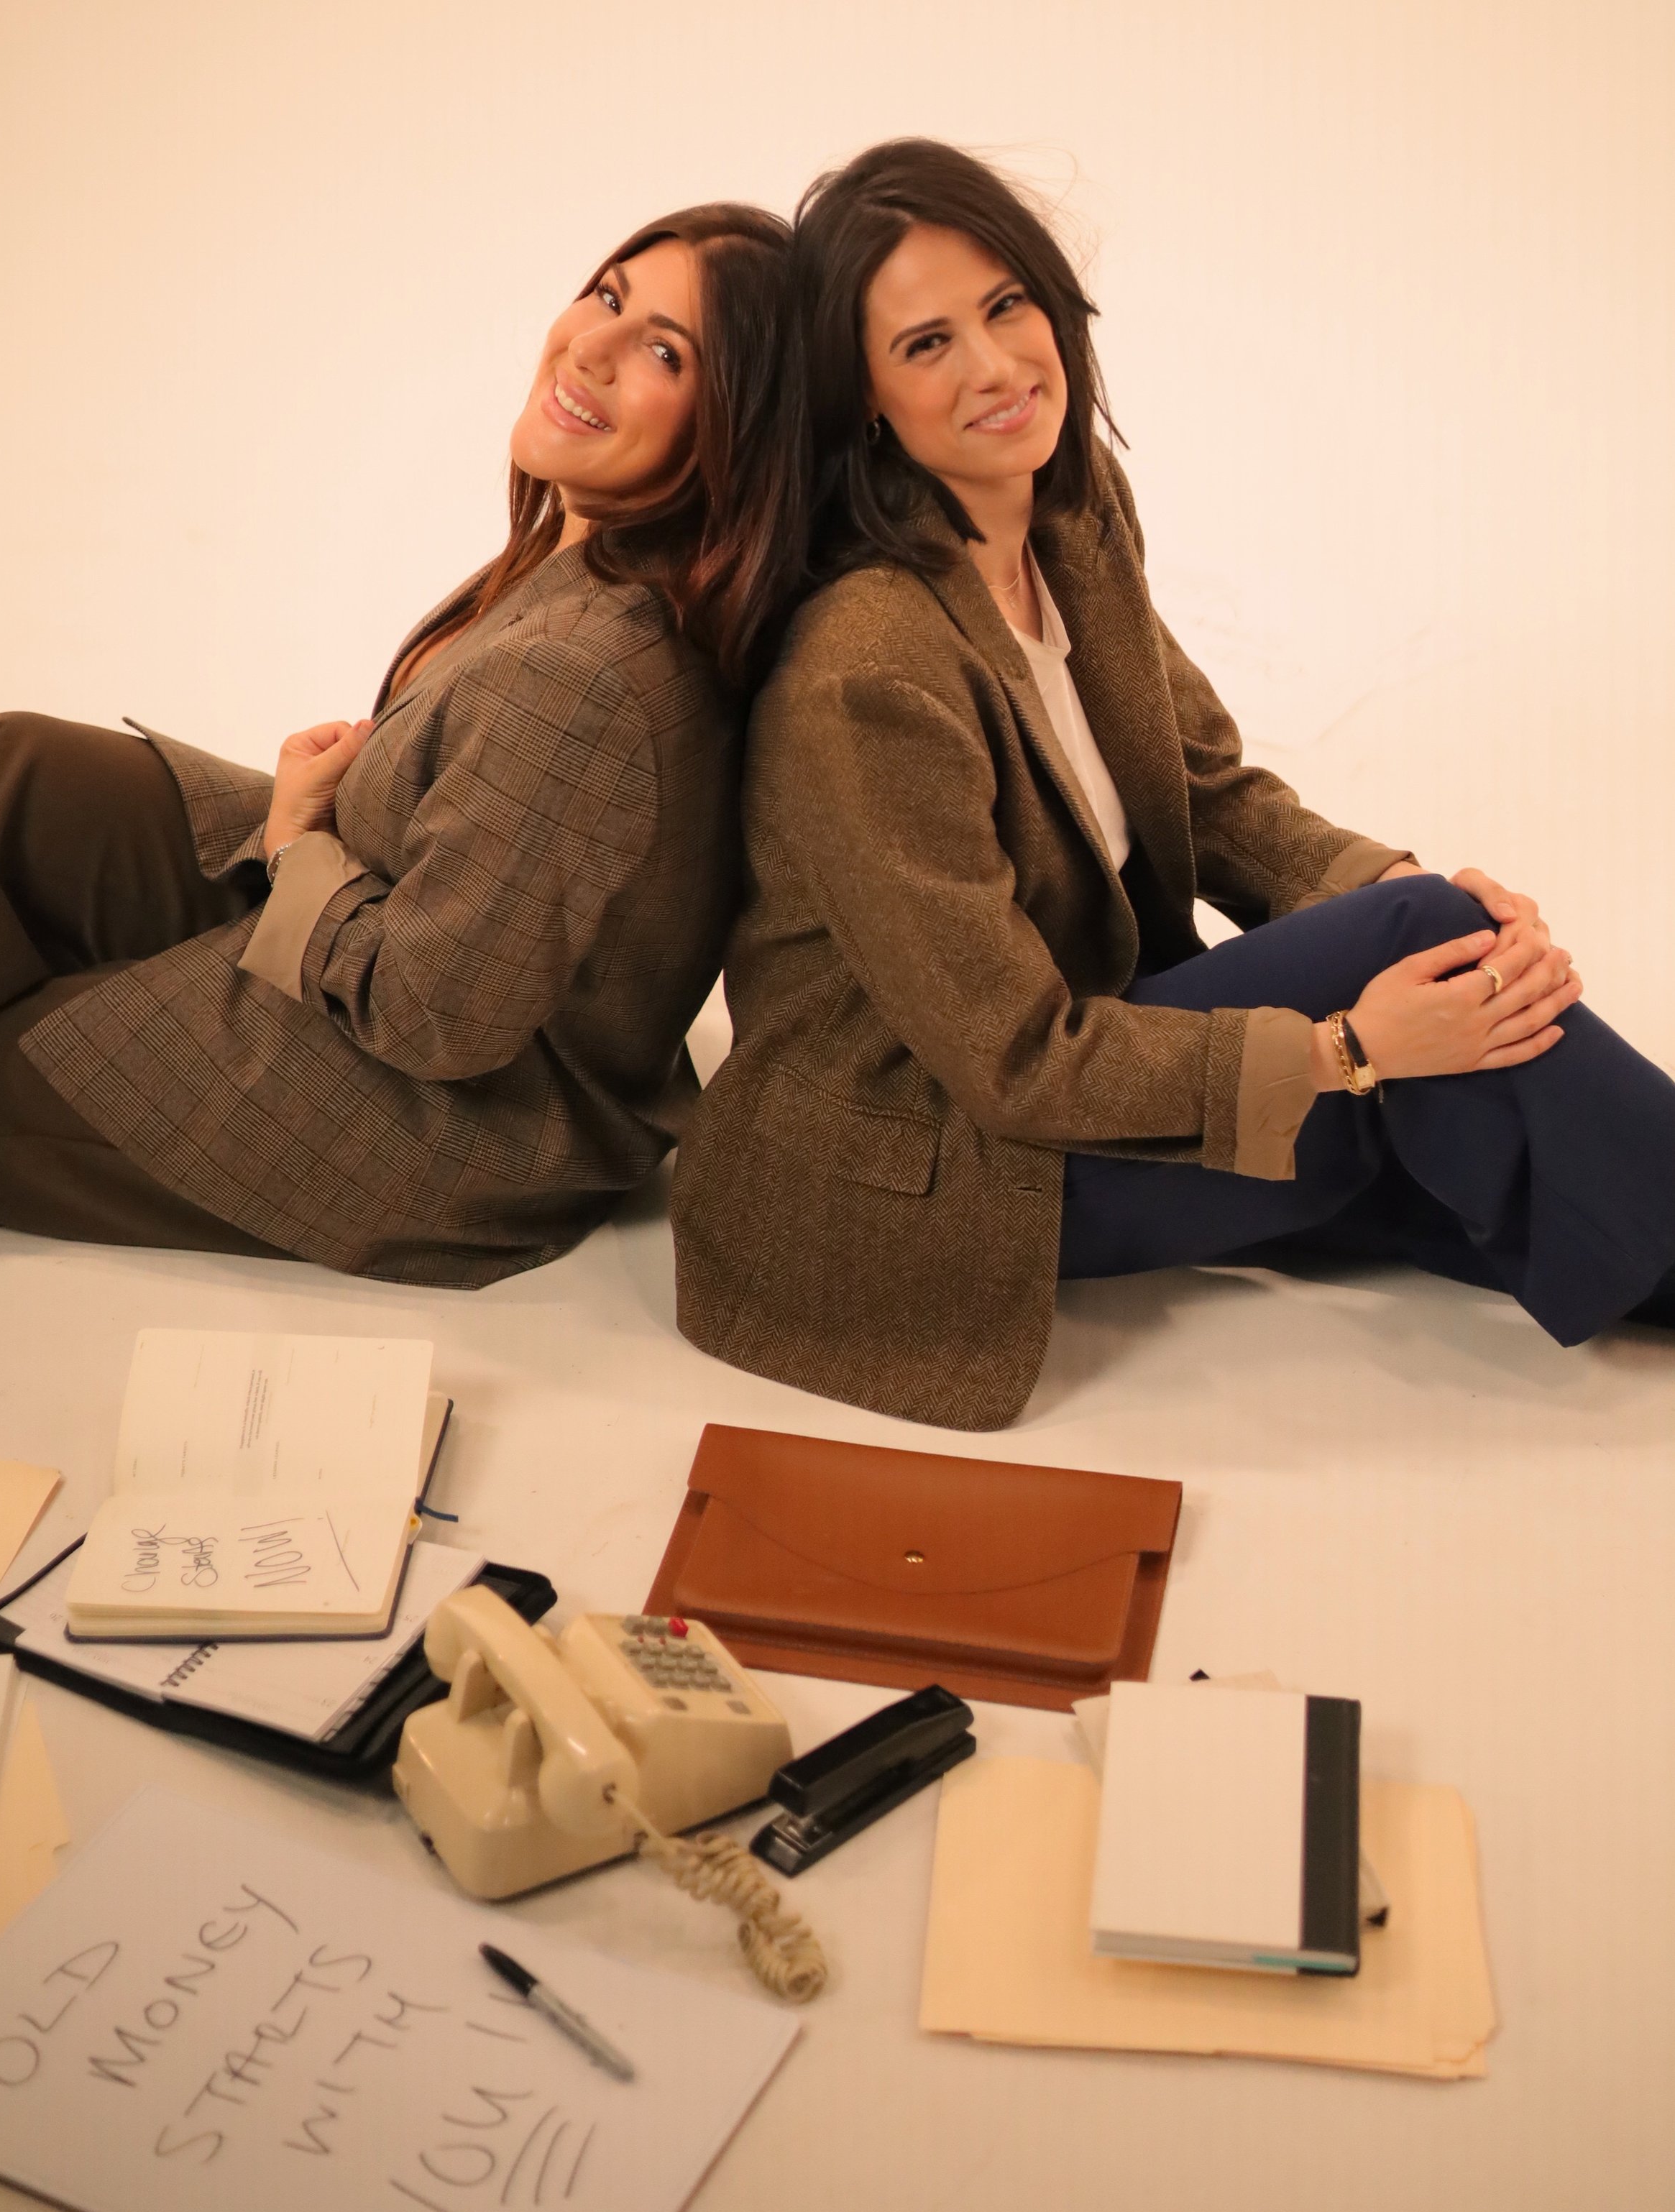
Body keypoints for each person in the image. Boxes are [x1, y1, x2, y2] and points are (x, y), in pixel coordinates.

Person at [671, 139, 1675, 1430]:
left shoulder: (1068, 519)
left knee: (1440, 1024)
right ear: (862, 397)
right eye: (925, 346)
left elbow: (1203, 789)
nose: (993, 367)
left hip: (1089, 1060)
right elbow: (1013, 1062)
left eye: (1005, 306)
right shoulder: (866, 669)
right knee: (1410, 1044)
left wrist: (1404, 886)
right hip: (939, 1169)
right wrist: (1354, 1043)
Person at [0, 203, 802, 1286]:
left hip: (442, 1118)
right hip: (387, 910)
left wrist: (295, 846)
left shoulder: (584, 678)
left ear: (735, 427)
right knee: (14, 771)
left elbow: (435, 1016)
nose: (591, 346)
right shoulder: (589, 553)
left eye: (662, 351)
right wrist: (306, 827)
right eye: (609, 295)